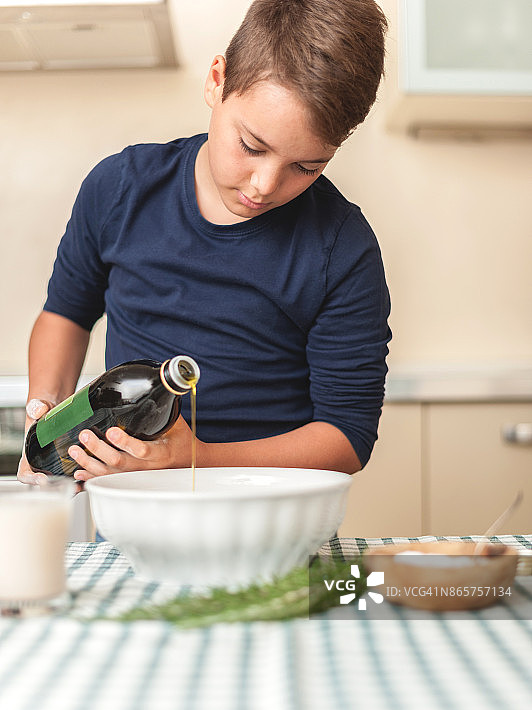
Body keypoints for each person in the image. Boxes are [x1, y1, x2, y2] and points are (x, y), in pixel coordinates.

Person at [18, 0, 391, 485]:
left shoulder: (342, 247)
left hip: (275, 524)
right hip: (133, 516)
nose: (263, 184)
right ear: (217, 79)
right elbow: (65, 314)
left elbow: (347, 436)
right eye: (253, 147)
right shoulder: (118, 189)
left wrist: (196, 457)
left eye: (307, 167)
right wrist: (44, 410)